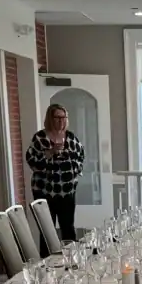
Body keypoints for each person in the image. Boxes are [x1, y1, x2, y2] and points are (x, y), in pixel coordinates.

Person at [25, 104, 85, 243]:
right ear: (50, 118)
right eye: (57, 117)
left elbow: (81, 156)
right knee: (47, 231)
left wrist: (75, 172)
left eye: (64, 117)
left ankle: (71, 255)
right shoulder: (40, 138)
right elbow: (31, 160)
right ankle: (47, 257)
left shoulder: (71, 138)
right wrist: (49, 153)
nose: (61, 120)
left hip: (67, 192)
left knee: (68, 228)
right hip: (44, 191)